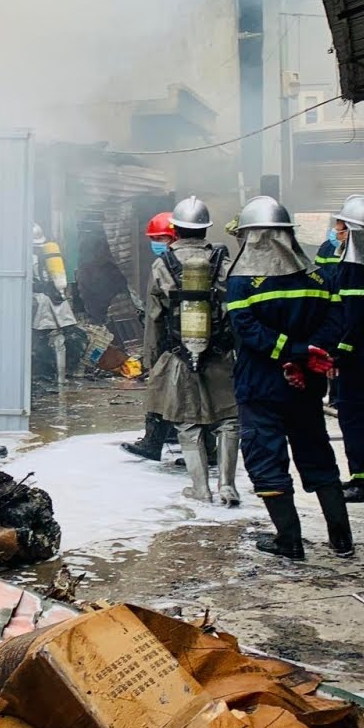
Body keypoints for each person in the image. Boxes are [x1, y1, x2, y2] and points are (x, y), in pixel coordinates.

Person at [225, 195, 353, 559]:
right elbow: (335, 322)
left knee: (266, 458)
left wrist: (289, 354)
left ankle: (289, 541)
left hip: (261, 385)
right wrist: (307, 354)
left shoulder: (242, 283)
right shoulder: (319, 275)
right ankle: (342, 539)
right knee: (317, 454)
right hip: (306, 385)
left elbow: (248, 330)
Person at [141, 197, 239, 504]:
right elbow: (235, 308)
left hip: (179, 354)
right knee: (229, 419)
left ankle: (200, 489)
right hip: (221, 351)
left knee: (187, 420)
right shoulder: (223, 261)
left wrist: (153, 360)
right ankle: (227, 485)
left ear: (176, 229)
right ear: (206, 229)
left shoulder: (163, 264)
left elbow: (154, 318)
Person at [315, 195, 364, 502]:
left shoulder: (354, 269)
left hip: (357, 361)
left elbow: (352, 318)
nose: (338, 233)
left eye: (342, 228)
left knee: (355, 417)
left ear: (356, 232)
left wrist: (338, 353)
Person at [122, 212, 179, 461]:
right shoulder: (209, 259)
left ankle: (153, 443)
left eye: (160, 238)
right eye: (153, 239)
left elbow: (155, 315)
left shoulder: (163, 266)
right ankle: (176, 435)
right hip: (194, 339)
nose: (155, 243)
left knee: (160, 388)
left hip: (170, 339)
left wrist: (151, 354)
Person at [31, 223, 76, 385]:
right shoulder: (50, 251)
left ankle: (45, 375)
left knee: (40, 339)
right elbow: (59, 280)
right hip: (56, 297)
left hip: (41, 299)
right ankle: (61, 377)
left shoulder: (31, 256)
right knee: (60, 338)